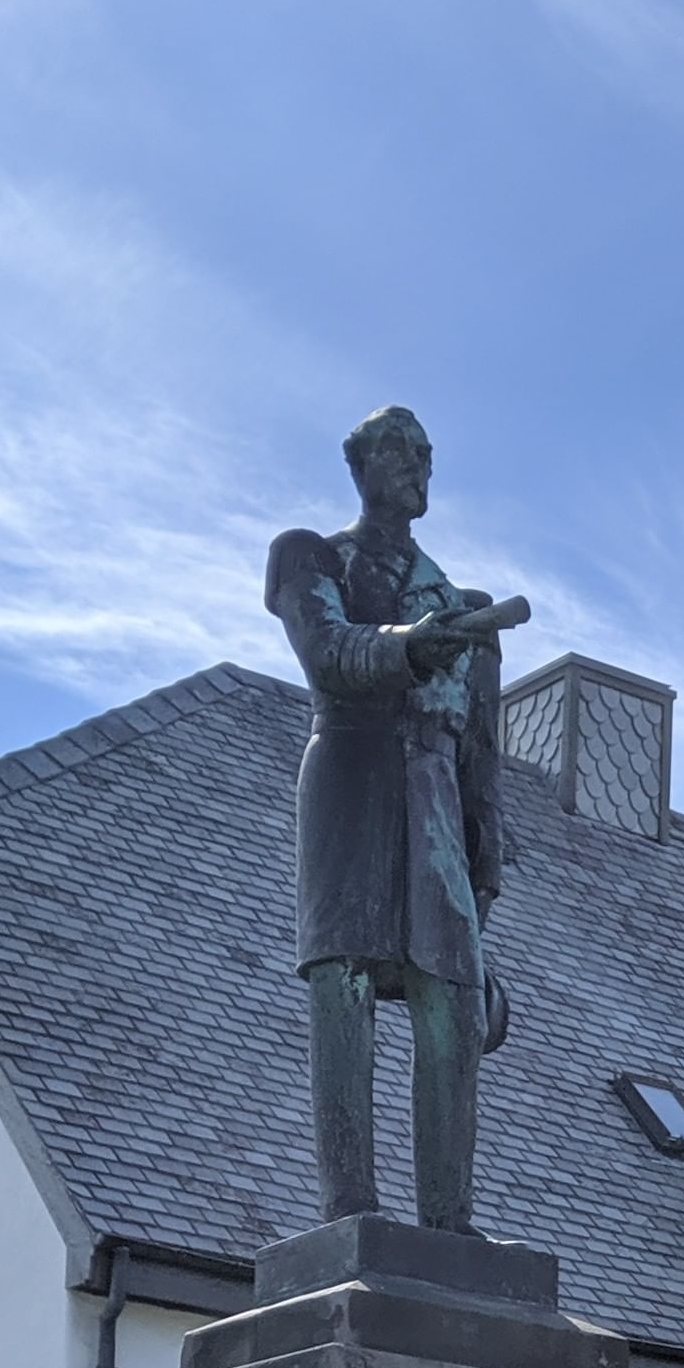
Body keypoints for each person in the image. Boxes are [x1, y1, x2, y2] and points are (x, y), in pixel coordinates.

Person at [264, 402, 510, 1232]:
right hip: (351, 770)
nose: (418, 466)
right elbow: (328, 654)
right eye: (400, 452)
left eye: (427, 455)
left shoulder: (464, 605)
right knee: (344, 980)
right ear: (358, 464)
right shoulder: (310, 558)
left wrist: (485, 864)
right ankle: (351, 1210)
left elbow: (480, 750)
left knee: (453, 997)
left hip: (434, 790)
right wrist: (410, 645)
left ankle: (450, 1221)